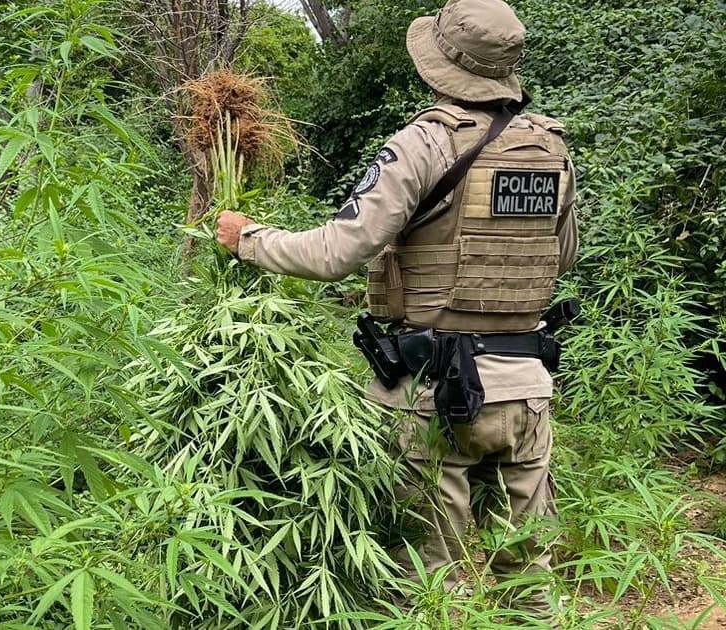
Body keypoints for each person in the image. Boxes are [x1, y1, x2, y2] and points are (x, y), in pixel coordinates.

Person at [215, 0, 578, 619]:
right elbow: (562, 257)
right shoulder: (549, 149)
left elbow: (336, 252)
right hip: (527, 390)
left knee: (429, 580)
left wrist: (249, 239)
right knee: (531, 578)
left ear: (441, 64)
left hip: (436, 391)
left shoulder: (423, 143)